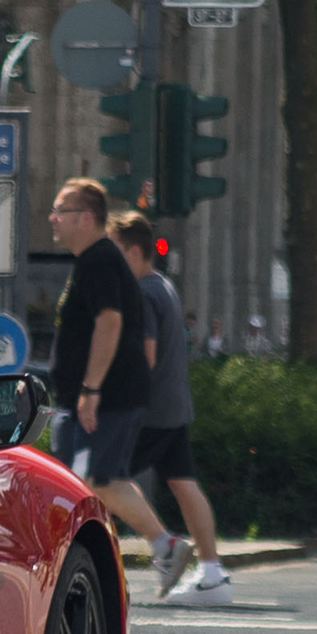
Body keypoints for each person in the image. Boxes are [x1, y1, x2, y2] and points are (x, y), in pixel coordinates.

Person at [47, 179, 192, 594]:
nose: (53, 219)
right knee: (84, 483)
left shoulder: (99, 260)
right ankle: (93, 564)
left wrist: (91, 389)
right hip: (97, 397)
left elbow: (109, 322)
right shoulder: (94, 260)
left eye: (60, 211)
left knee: (98, 481)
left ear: (85, 217)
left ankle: (164, 546)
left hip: (108, 397)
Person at [105, 211, 231, 605]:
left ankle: (160, 547)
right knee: (184, 483)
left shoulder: (142, 292)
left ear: (136, 251)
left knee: (100, 480)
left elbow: (145, 358)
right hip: (174, 405)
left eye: (116, 252)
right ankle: (212, 574)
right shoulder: (164, 286)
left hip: (149, 410)